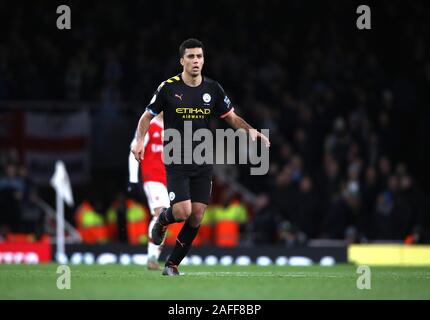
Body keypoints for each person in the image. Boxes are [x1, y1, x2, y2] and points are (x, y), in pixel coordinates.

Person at [131, 38, 270, 276]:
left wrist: (252, 131)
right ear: (182, 60)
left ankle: (172, 265)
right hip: (176, 157)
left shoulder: (213, 89)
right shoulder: (168, 87)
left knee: (196, 216)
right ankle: (163, 222)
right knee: (182, 212)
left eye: (200, 57)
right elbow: (146, 116)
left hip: (203, 159)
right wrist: (140, 141)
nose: (196, 61)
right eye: (191, 57)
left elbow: (232, 117)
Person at [129, 113, 169, 270]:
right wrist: (133, 179)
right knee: (160, 213)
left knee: (167, 217)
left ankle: (154, 258)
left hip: (170, 180)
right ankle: (151, 257)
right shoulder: (148, 124)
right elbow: (134, 148)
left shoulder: (174, 126)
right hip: (152, 177)